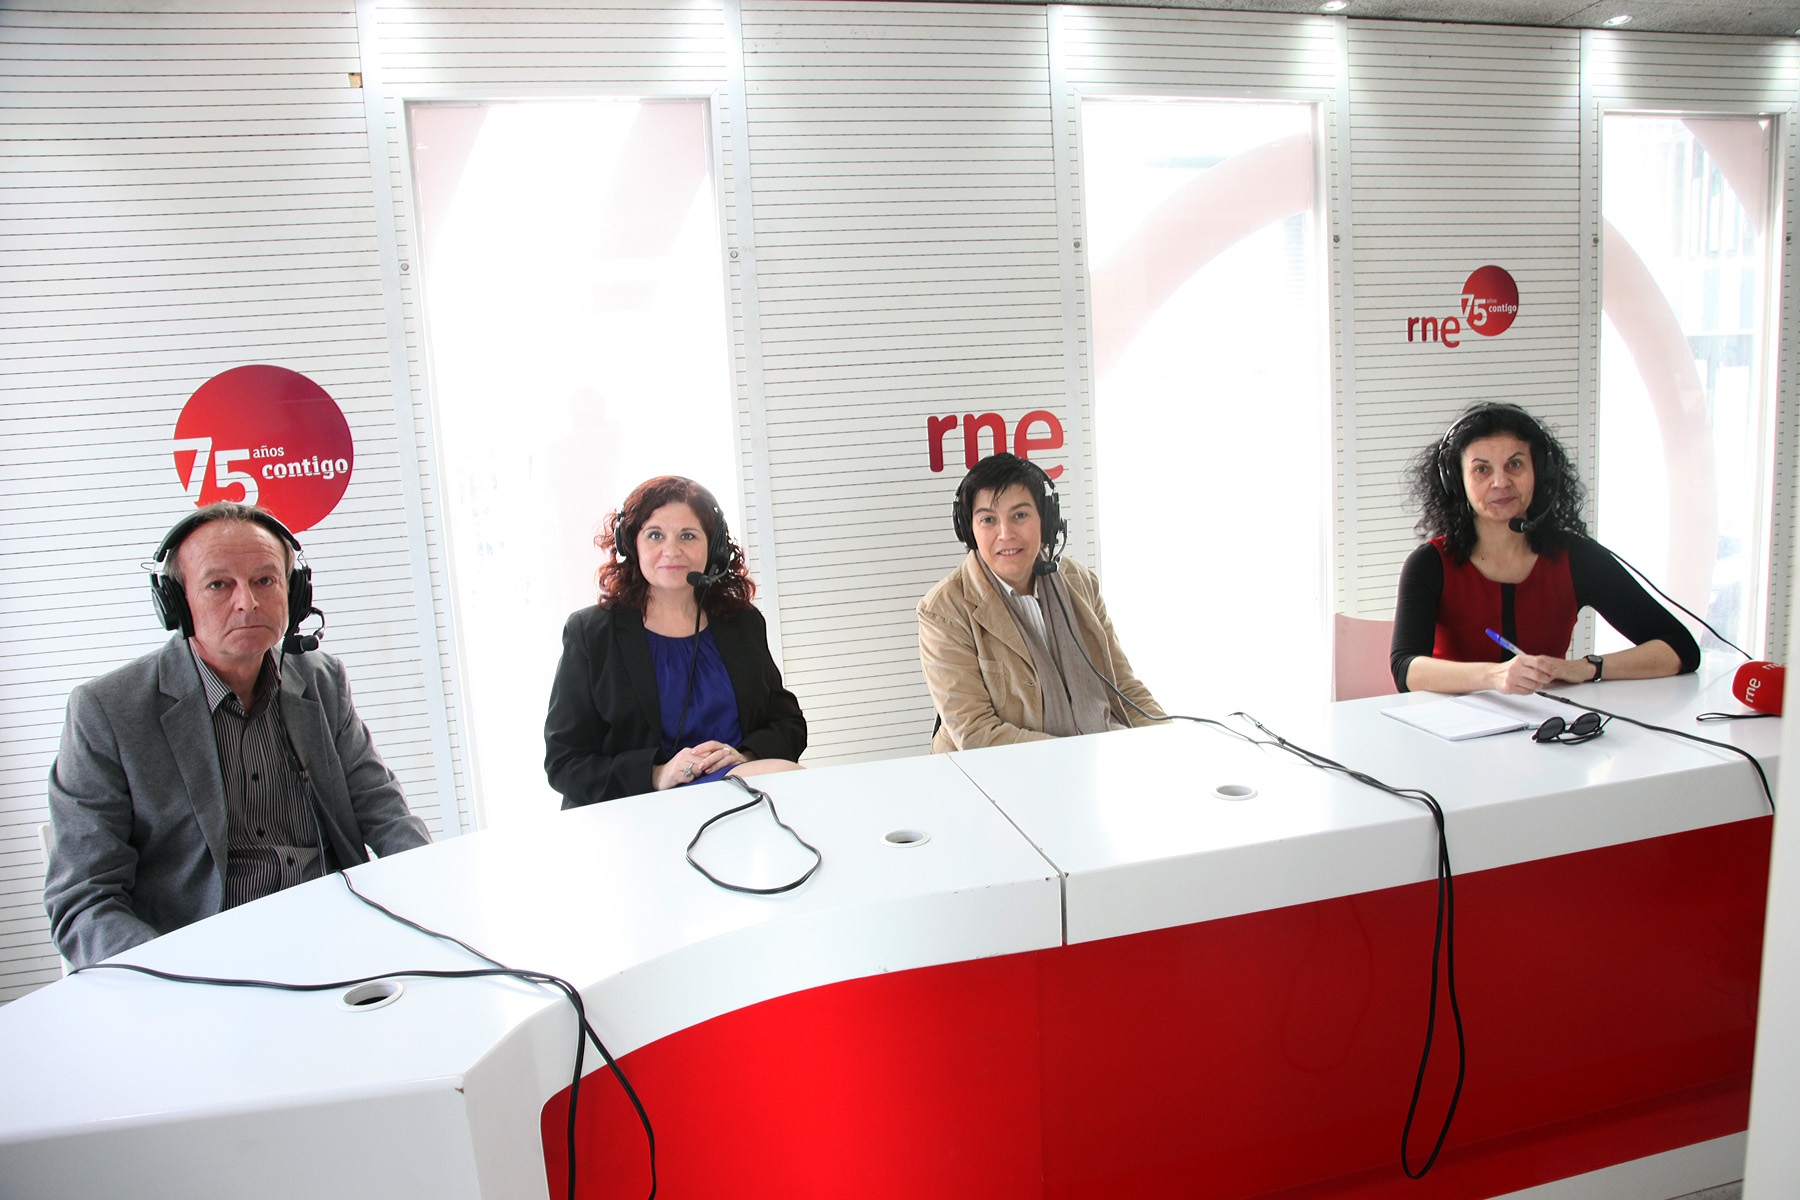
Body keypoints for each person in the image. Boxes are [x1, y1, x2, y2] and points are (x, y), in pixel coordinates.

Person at [44, 503, 431, 969]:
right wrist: (170, 980)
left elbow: (385, 814)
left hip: (339, 938)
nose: (247, 602)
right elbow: (84, 901)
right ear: (177, 603)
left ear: (294, 592)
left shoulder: (321, 680)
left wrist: (434, 894)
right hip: (201, 963)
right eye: (219, 584)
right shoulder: (106, 712)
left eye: (265, 580)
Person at [1391, 402, 1700, 695]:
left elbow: (1681, 648)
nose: (1500, 482)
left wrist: (1587, 667)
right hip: (1451, 725)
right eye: (1482, 470)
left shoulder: (1576, 557)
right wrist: (1494, 676)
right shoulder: (1429, 563)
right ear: (1457, 481)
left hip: (1547, 724)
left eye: (1514, 465)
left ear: (1539, 472)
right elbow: (1405, 668)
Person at [545, 476, 805, 806]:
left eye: (688, 535)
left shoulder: (741, 623)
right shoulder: (591, 633)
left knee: (799, 787)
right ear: (631, 545)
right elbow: (564, 762)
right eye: (655, 535)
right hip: (637, 808)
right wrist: (656, 774)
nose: (671, 550)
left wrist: (745, 755)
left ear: (713, 547)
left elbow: (788, 723)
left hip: (737, 791)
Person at [918, 452, 1164, 752]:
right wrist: (1082, 758)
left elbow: (1123, 688)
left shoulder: (1078, 580)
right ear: (969, 528)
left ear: (1045, 521)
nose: (1005, 534)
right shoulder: (943, 610)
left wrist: (1170, 743)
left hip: (1098, 750)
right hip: (1004, 766)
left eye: (1020, 515)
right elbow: (976, 734)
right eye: (988, 520)